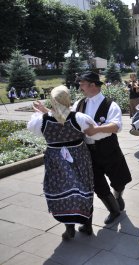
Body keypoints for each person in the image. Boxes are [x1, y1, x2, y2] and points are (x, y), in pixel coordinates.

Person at [27, 85, 96, 240]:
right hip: (80, 158)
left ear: (52, 101)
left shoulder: (40, 121)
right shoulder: (79, 118)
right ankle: (87, 224)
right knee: (84, 188)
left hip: (55, 160)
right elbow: (92, 136)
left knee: (61, 189)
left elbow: (42, 124)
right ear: (67, 99)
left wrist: (43, 112)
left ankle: (69, 228)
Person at [73, 71, 132, 225]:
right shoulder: (79, 104)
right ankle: (114, 210)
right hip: (87, 152)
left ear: (92, 85)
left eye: (82, 83)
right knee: (98, 185)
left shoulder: (110, 104)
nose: (80, 87)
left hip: (108, 149)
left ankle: (118, 195)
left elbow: (116, 126)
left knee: (119, 181)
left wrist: (96, 130)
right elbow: (69, 120)